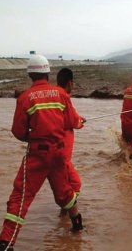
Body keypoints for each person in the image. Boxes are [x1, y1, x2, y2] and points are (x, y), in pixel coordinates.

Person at [0, 55, 83, 251]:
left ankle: (5, 244)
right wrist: (79, 122)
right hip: (59, 154)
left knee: (20, 196)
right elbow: (72, 122)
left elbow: (18, 131)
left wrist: (32, 137)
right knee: (64, 192)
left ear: (30, 75)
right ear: (48, 73)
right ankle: (77, 222)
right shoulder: (61, 94)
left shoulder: (25, 98)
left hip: (38, 155)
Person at [56, 68, 85, 213]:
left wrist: (78, 120)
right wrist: (79, 122)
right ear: (70, 82)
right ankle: (69, 215)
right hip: (63, 154)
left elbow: (71, 117)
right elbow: (73, 121)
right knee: (75, 183)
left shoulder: (54, 95)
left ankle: (64, 212)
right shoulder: (64, 97)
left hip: (56, 152)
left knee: (65, 184)